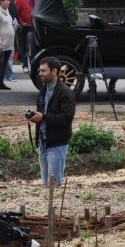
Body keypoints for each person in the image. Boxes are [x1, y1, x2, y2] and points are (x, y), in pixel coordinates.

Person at [31, 57, 75, 186]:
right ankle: (48, 199)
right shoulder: (43, 90)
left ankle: (54, 199)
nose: (40, 74)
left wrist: (43, 117)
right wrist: (35, 117)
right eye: (40, 70)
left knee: (54, 184)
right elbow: (43, 114)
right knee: (46, 183)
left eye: (44, 71)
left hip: (57, 144)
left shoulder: (66, 93)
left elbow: (66, 119)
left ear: (54, 71)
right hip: (43, 142)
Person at [13, 0, 39, 73]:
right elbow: (16, 13)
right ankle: (25, 64)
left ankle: (34, 64)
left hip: (36, 25)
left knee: (34, 45)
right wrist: (21, 22)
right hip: (25, 26)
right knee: (24, 46)